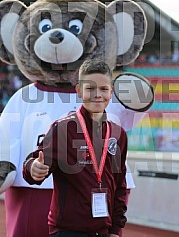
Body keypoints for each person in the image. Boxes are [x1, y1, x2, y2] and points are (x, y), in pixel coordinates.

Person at [23, 59, 128, 237]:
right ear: (79, 91)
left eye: (103, 89)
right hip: (68, 231)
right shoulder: (63, 129)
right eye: (90, 89)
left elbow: (119, 186)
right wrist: (33, 168)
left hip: (103, 231)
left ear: (111, 92)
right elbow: (35, 165)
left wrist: (116, 230)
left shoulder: (118, 134)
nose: (97, 95)